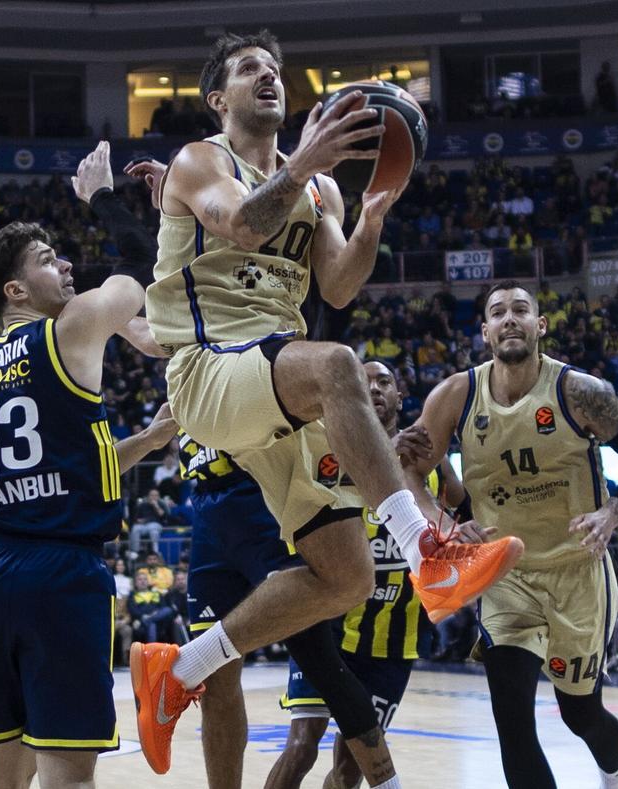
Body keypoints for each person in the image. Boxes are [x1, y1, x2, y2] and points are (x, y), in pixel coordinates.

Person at [133, 30, 521, 784]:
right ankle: (428, 554)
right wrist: (306, 162)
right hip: (209, 367)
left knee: (346, 578)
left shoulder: (322, 190)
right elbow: (242, 223)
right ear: (218, 98)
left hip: (276, 384)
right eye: (249, 69)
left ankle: (179, 670)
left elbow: (339, 284)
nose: (268, 76)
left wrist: (373, 211)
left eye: (274, 69)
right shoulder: (200, 160)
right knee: (340, 363)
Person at [0, 142, 180, 788]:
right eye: (49, 259)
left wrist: (148, 439)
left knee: (1, 775)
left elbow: (59, 467)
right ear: (16, 290)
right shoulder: (70, 328)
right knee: (69, 774)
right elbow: (140, 262)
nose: (68, 264)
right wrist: (101, 196)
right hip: (57, 576)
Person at [399, 281, 618, 789]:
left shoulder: (580, 392)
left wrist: (612, 513)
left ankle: (615, 775)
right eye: (498, 312)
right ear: (485, 332)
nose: (509, 319)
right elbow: (410, 467)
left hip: (576, 571)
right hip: (505, 573)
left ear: (539, 325)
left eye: (520, 310)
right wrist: (442, 522)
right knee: (512, 720)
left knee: (581, 715)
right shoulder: (456, 395)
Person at [267, 360, 463, 789]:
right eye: (364, 381)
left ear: (400, 397)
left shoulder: (430, 460)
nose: (374, 388)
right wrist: (387, 448)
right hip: (329, 623)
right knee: (300, 747)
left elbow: (465, 512)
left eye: (384, 382)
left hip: (391, 640)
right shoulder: (326, 444)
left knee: (351, 767)